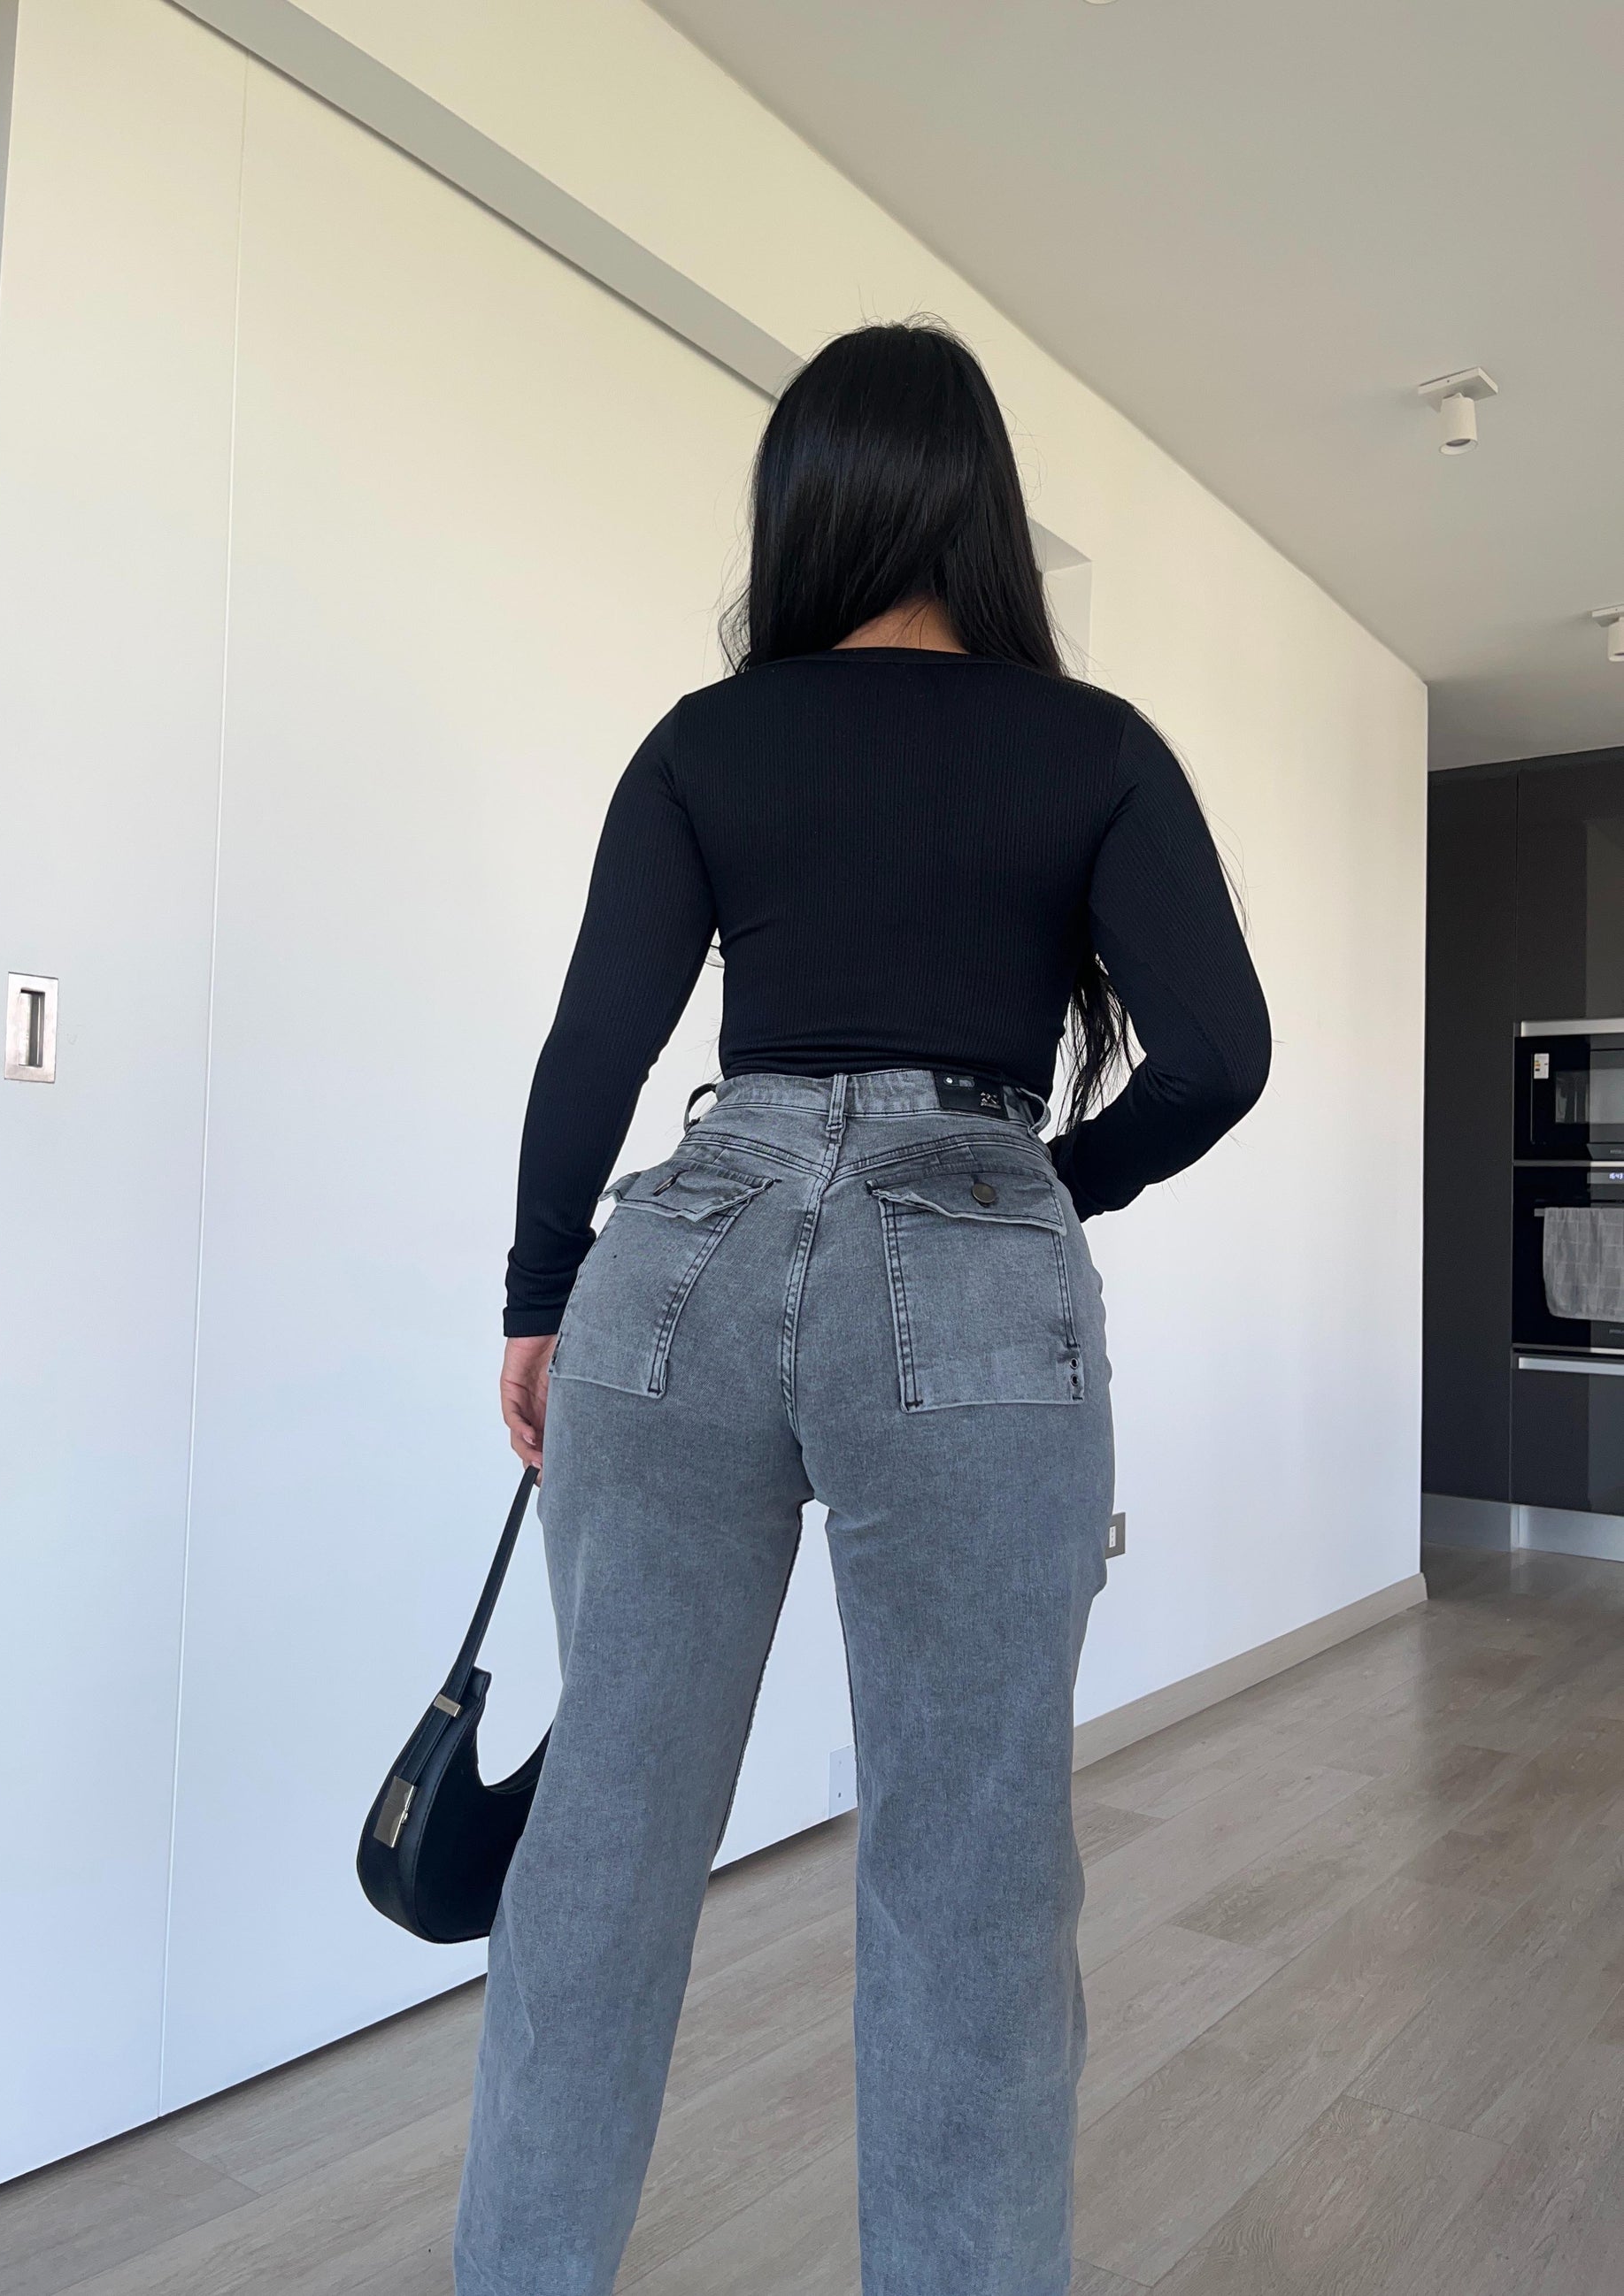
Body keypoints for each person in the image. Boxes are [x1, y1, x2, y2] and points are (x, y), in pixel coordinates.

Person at [454, 319, 1271, 2296]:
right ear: (981, 506)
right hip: (976, 1260)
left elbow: (594, 1046)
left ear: (799, 508)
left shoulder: (707, 739)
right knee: (973, 1872)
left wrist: (541, 1296)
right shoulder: (1094, 746)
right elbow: (1219, 1051)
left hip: (685, 1254)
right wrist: (1047, 1185)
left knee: (599, 1850)